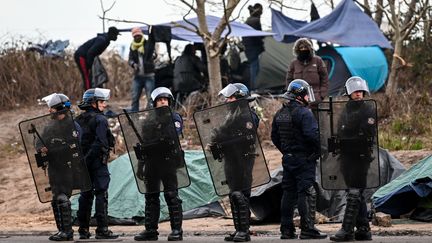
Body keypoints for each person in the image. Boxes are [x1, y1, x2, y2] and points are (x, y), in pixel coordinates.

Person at [271, 79, 327, 240]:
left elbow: (274, 137)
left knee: (288, 193)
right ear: (300, 96)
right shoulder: (304, 113)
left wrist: (287, 151)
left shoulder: (280, 113)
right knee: (306, 193)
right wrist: (319, 150)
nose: (309, 98)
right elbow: (313, 136)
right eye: (306, 95)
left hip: (288, 160)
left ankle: (286, 230)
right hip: (304, 160)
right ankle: (308, 229)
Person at [134, 87, 184, 241]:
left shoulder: (174, 118)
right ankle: (150, 230)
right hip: (151, 162)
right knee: (151, 196)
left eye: (165, 99)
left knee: (171, 195)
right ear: (154, 102)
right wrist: (140, 164)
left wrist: (154, 142)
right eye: (159, 99)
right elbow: (144, 143)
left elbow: (170, 137)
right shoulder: (148, 120)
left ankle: (177, 230)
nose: (163, 102)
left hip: (168, 162)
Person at [329, 76, 376, 242]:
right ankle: (363, 229)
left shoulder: (368, 109)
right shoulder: (346, 109)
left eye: (360, 91)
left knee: (355, 192)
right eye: (355, 91)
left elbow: (368, 131)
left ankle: (346, 230)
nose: (358, 94)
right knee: (355, 193)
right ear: (349, 93)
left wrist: (350, 130)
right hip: (346, 155)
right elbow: (340, 129)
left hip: (361, 156)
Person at [213, 83, 259, 242]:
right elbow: (222, 135)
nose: (227, 100)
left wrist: (224, 141)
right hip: (231, 159)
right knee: (233, 194)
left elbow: (245, 139)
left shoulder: (248, 116)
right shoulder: (230, 116)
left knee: (242, 195)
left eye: (231, 97)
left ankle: (244, 230)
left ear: (239, 97)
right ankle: (238, 228)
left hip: (243, 160)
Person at [36, 93, 83, 241]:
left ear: (59, 108)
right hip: (53, 166)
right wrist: (41, 148)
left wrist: (53, 151)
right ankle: (61, 230)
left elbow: (75, 146)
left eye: (52, 108)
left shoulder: (72, 125)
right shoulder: (50, 126)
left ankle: (67, 232)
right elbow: (39, 142)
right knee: (56, 198)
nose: (50, 111)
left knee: (63, 196)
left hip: (68, 166)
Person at [75, 88, 118, 240]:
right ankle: (102, 229)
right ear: (93, 103)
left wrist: (83, 161)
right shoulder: (100, 120)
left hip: (83, 163)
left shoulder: (78, 120)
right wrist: (90, 159)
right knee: (101, 194)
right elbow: (101, 142)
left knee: (85, 195)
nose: (104, 105)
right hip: (97, 162)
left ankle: (83, 230)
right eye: (101, 102)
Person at [285, 38, 328, 103]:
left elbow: (324, 78)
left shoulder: (318, 60)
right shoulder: (294, 63)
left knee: (315, 113)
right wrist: (291, 95)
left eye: (305, 47)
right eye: (301, 47)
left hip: (315, 97)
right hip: (298, 98)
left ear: (310, 48)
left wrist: (322, 95)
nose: (303, 49)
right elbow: (289, 79)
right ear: (297, 49)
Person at [128, 27, 156, 111]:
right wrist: (133, 64)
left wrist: (152, 56)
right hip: (138, 76)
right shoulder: (132, 46)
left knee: (150, 98)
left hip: (149, 76)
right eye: (135, 36)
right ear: (133, 37)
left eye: (138, 35)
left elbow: (154, 53)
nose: (137, 37)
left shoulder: (148, 44)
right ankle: (134, 117)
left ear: (141, 35)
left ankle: (152, 116)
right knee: (134, 98)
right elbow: (130, 59)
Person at [242, 3, 265, 90]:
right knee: (255, 69)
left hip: (248, 48)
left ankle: (252, 88)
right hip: (253, 48)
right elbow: (257, 35)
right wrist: (262, 39)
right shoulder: (255, 20)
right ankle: (253, 89)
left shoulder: (249, 20)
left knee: (253, 68)